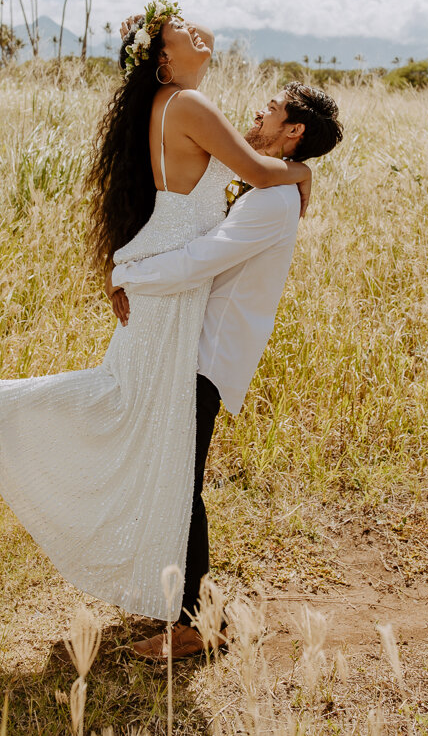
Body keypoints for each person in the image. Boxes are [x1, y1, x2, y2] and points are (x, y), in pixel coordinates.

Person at [0, 0, 312, 626]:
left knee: (141, 417)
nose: (187, 24)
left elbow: (177, 201)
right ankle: (9, 410)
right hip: (169, 283)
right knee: (137, 418)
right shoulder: (189, 103)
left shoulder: (166, 105)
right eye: (173, 29)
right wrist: (302, 172)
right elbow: (260, 172)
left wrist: (126, 267)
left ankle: (174, 597)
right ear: (163, 59)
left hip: (164, 271)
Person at [108, 81, 343, 659]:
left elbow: (201, 261)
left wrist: (127, 275)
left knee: (181, 485)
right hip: (194, 348)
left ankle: (197, 624)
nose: (257, 110)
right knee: (172, 477)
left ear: (294, 131)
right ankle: (182, 605)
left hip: (207, 356)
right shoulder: (274, 183)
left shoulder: (272, 198)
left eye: (272, 108)